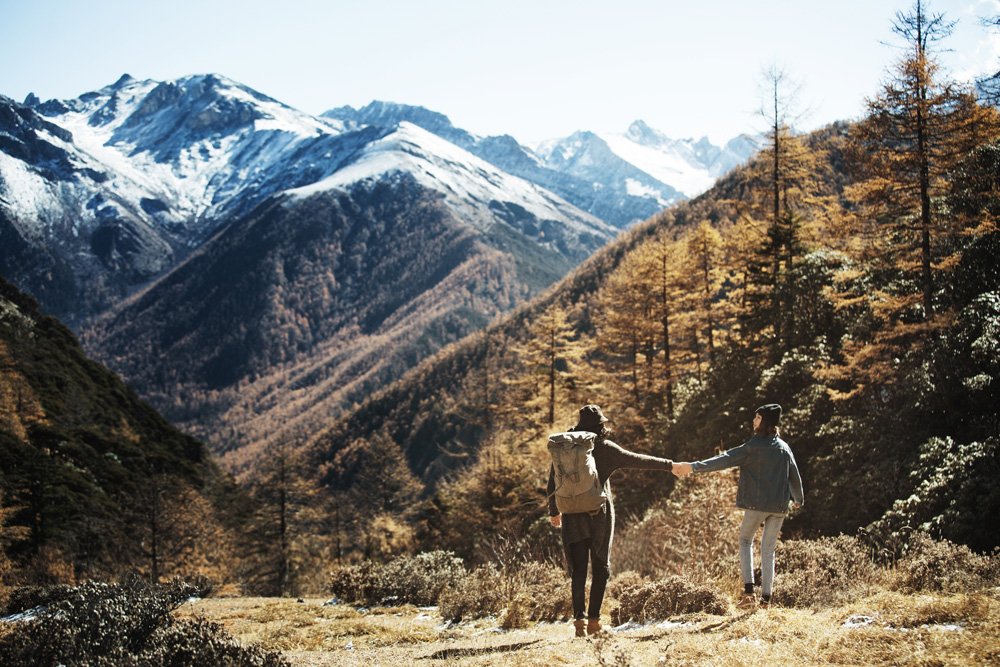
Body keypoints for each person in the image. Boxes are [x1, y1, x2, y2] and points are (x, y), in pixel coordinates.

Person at [547, 404, 673, 637]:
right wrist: (671, 466)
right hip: (599, 517)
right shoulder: (605, 448)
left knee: (578, 571)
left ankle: (579, 624)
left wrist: (554, 511)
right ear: (600, 425)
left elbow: (553, 481)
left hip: (573, 516)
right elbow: (639, 460)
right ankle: (594, 622)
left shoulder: (565, 448)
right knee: (600, 568)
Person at [672, 403, 804, 610]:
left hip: (757, 505)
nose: (754, 421)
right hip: (779, 506)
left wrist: (691, 467)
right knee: (768, 551)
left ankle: (749, 594)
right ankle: (766, 600)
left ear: (766, 422)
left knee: (745, 541)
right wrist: (798, 498)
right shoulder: (784, 448)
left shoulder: (751, 448)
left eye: (758, 418)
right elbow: (794, 475)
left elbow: (723, 460)